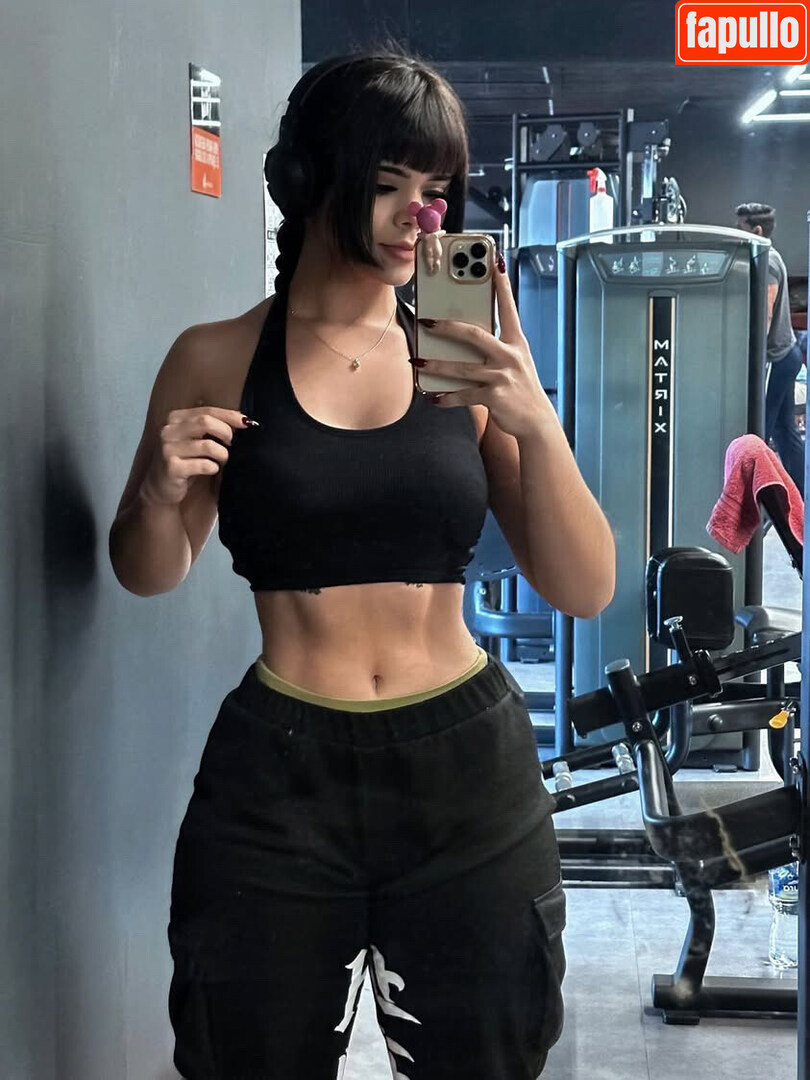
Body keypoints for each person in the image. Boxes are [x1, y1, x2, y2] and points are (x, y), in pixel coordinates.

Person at [109, 47, 615, 1080]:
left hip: (467, 775)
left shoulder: (462, 353)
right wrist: (157, 493)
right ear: (308, 180)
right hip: (281, 776)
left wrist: (534, 419)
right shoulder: (215, 355)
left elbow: (584, 585)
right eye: (388, 185)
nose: (418, 218)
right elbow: (147, 569)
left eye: (434, 190)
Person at [736, 202, 805, 492]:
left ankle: (757, 499)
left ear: (757, 230)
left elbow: (765, 315)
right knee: (784, 430)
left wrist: (750, 360)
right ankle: (797, 497)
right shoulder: (766, 257)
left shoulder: (769, 263)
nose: (736, 233)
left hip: (777, 359)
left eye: (740, 228)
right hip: (786, 355)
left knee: (758, 432)